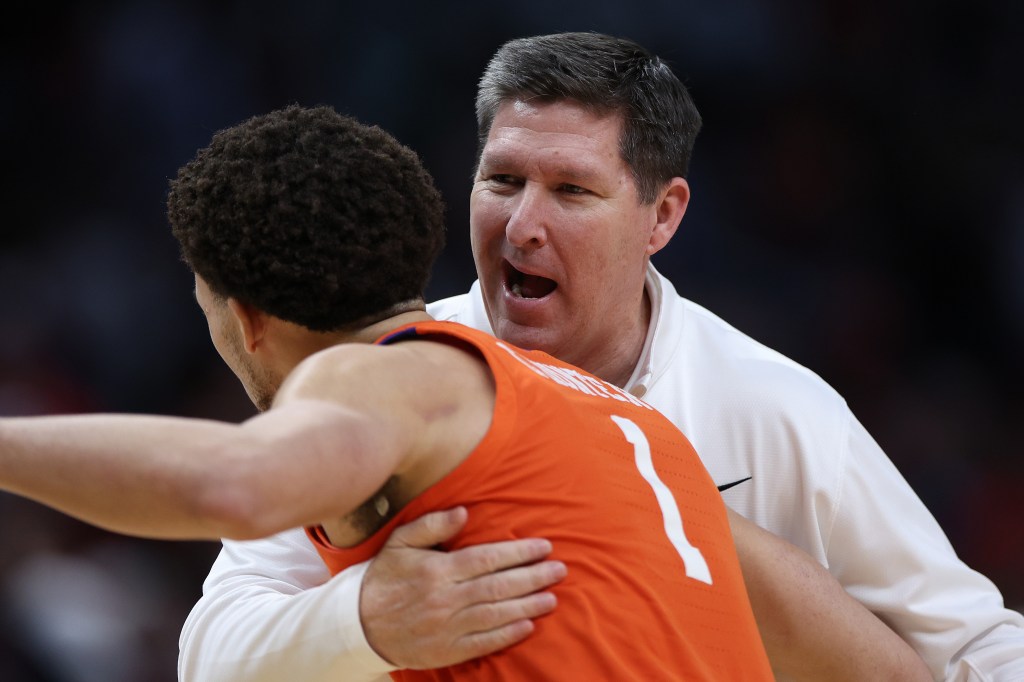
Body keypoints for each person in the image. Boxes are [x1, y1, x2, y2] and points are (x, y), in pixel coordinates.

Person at [177, 32, 1024, 682]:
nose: (521, 226)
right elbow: (208, 655)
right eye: (502, 180)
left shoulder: (777, 408)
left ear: (663, 216)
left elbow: (978, 649)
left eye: (572, 191)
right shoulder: (386, 372)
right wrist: (362, 618)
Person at [0, 105, 932, 680]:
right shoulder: (628, 430)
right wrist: (365, 621)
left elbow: (229, 488)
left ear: (245, 319)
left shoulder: (377, 379)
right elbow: (891, 675)